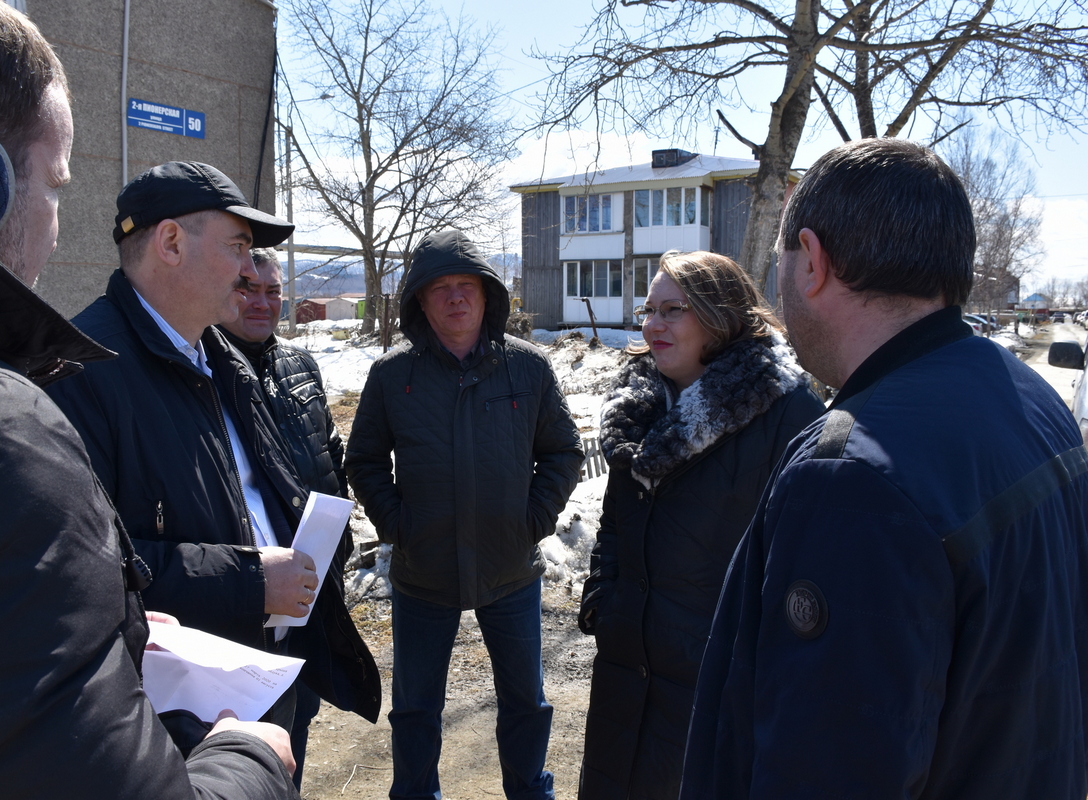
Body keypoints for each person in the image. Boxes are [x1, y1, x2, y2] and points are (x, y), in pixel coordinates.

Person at [0, 0, 294, 796]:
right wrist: (251, 763)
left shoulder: (233, 365)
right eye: (55, 183)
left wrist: (120, 626)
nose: (254, 272)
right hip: (194, 730)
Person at [681, 138, 1088, 799]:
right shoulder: (1032, 399)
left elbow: (822, 771)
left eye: (778, 259)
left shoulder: (851, 479)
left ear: (811, 261)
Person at [46, 162, 380, 754]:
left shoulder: (222, 359)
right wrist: (251, 583)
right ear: (171, 242)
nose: (252, 271)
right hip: (179, 719)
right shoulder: (82, 375)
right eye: (240, 247)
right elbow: (87, 576)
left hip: (271, 671)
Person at [345, 229, 583, 800]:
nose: (455, 297)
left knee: (527, 700)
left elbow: (564, 451)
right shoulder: (391, 375)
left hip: (509, 569)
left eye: (467, 285)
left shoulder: (528, 368)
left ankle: (529, 790)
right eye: (440, 288)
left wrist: (533, 520)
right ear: (420, 302)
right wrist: (398, 527)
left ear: (487, 294)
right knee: (416, 708)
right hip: (423, 571)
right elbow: (365, 460)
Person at [577, 251, 823, 799]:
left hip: (715, 684)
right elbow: (615, 522)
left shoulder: (787, 412)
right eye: (648, 310)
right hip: (625, 669)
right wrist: (605, 597)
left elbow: (803, 566)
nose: (651, 325)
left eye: (672, 310)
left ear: (719, 314)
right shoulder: (635, 406)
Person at [218, 247, 375, 788]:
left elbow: (330, 451)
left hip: (312, 589)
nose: (261, 303)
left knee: (297, 727)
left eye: (272, 291)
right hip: (247, 595)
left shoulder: (299, 365)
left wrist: (342, 538)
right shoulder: (205, 372)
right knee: (243, 741)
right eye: (247, 289)